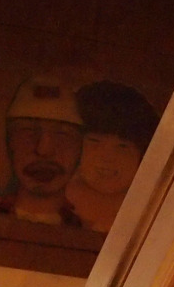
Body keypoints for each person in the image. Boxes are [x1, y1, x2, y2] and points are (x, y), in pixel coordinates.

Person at [0, 74, 85, 225]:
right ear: (9, 142)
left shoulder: (81, 228)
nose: (43, 150)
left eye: (62, 135)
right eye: (28, 132)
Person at [66, 79, 159, 232]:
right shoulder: (53, 207)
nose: (107, 157)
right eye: (94, 141)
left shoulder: (151, 216)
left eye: (123, 147)